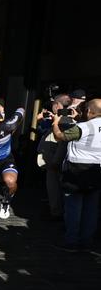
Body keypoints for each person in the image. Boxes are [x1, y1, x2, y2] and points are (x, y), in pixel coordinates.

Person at [51, 98, 101, 251]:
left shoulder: (84, 127)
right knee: (91, 209)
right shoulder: (87, 125)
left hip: (77, 171)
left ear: (89, 111)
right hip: (97, 171)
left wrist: (55, 124)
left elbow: (60, 136)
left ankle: (71, 241)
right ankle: (87, 241)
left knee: (73, 208)